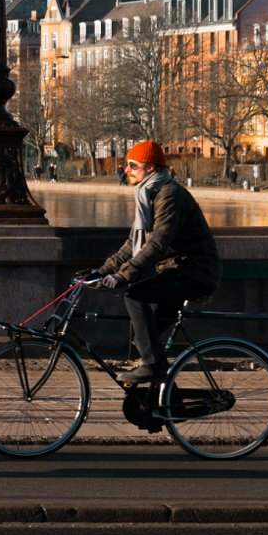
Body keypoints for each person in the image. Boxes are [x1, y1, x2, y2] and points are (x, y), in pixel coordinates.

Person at [91, 139, 221, 384]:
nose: (126, 170)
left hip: (195, 272)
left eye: (132, 165)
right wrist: (101, 271)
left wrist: (123, 276)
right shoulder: (149, 194)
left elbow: (158, 243)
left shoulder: (169, 195)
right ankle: (162, 396)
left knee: (134, 294)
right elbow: (132, 244)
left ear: (150, 168)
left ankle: (153, 367)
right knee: (145, 337)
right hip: (176, 271)